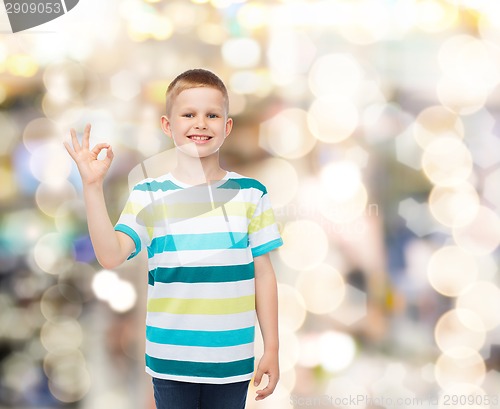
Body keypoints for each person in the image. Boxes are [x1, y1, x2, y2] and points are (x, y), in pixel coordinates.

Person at [64, 68, 283, 409]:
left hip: (232, 361)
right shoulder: (148, 194)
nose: (200, 123)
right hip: (170, 362)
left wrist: (272, 347)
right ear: (168, 125)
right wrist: (92, 188)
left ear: (227, 127)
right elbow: (110, 256)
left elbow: (264, 275)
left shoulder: (251, 194)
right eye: (188, 115)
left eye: (212, 115)